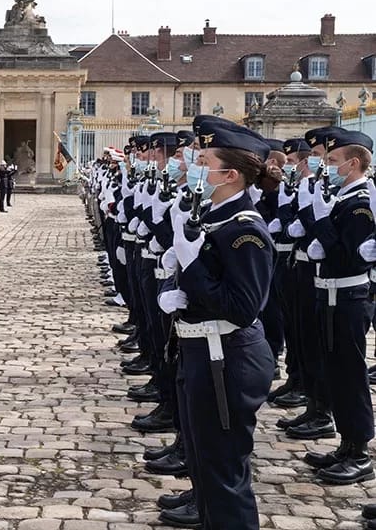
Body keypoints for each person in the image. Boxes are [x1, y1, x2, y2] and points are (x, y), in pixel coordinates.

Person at [156, 117, 279, 529]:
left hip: (227, 359)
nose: (193, 165)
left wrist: (191, 265)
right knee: (206, 466)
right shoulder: (215, 216)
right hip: (202, 352)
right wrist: (180, 288)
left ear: (228, 174)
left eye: (202, 160)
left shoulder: (246, 230)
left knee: (225, 475)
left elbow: (241, 307)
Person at [303, 127, 375, 484]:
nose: (326, 165)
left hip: (348, 296)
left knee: (350, 375)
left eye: (333, 160)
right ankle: (346, 443)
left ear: (354, 163)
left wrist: (321, 222)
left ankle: (360, 449)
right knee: (334, 372)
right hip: (328, 293)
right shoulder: (342, 198)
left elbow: (350, 257)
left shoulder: (360, 205)